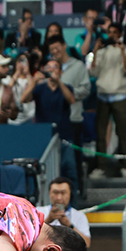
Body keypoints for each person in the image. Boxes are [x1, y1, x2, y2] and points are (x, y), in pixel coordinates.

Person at [23, 60, 78, 188]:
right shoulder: (40, 88)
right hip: (44, 136)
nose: (52, 70)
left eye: (55, 67)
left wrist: (58, 81)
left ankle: (73, 205)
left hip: (65, 136)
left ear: (60, 71)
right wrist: (33, 81)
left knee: (70, 171)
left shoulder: (67, 88)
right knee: (46, 172)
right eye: (49, 67)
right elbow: (24, 99)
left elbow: (71, 100)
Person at [92, 23, 126, 178]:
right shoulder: (102, 52)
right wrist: (95, 50)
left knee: (122, 132)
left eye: (114, 33)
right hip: (102, 95)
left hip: (119, 95)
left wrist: (122, 50)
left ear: (120, 34)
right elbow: (93, 71)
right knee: (100, 133)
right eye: (109, 32)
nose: (111, 35)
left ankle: (124, 166)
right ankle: (100, 166)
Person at [47, 35, 90, 184]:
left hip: (74, 119)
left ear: (64, 45)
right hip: (55, 121)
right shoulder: (49, 68)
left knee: (74, 160)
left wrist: (68, 92)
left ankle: (77, 190)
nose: (55, 51)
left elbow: (86, 89)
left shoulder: (78, 66)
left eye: (57, 47)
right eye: (51, 49)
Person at [37, 177, 91, 247]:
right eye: (55, 193)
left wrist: (69, 225)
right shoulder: (38, 211)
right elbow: (28, 238)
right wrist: (48, 220)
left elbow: (86, 244)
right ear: (49, 194)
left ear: (70, 194)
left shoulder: (79, 216)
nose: (59, 197)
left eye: (63, 193)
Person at [9, 53, 36, 125]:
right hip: (12, 118)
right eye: (20, 61)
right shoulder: (9, 79)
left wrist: (27, 74)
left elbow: (32, 89)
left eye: (24, 61)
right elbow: (7, 90)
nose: (22, 64)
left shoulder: (33, 80)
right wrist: (17, 73)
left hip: (29, 117)